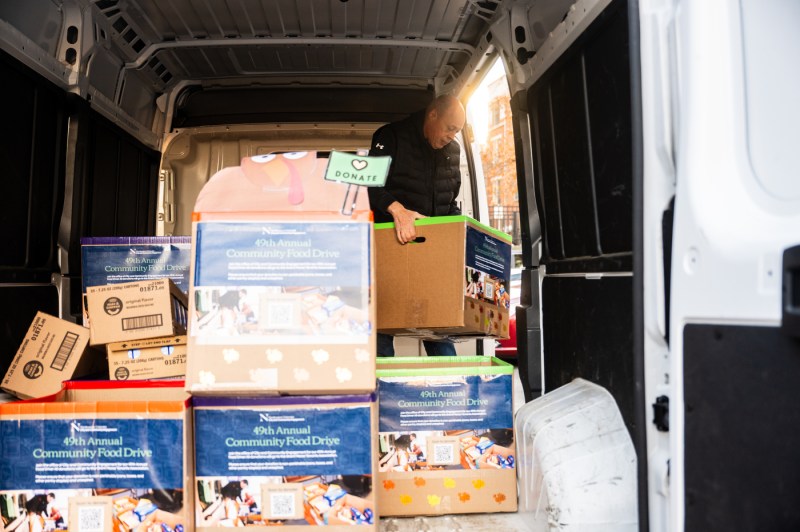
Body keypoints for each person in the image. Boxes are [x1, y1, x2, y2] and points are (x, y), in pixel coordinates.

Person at [368, 94, 466, 357]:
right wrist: (398, 211)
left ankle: (448, 392)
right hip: (390, 249)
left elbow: (450, 200)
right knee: (382, 327)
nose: (451, 136)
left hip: (431, 255)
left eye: (457, 131)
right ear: (432, 115)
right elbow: (369, 188)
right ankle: (383, 392)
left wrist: (462, 232)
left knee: (439, 332)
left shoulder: (452, 151)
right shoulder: (390, 136)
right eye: (449, 128)